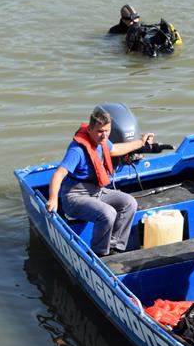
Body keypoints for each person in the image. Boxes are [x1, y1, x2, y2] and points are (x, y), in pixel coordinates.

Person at [45, 106, 155, 257]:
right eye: (100, 131)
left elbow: (115, 149)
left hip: (97, 192)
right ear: (89, 129)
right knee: (108, 213)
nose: (104, 135)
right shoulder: (77, 150)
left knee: (129, 202)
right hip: (75, 197)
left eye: (107, 131)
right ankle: (100, 254)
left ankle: (115, 247)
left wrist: (141, 142)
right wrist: (52, 199)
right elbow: (59, 174)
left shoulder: (102, 142)